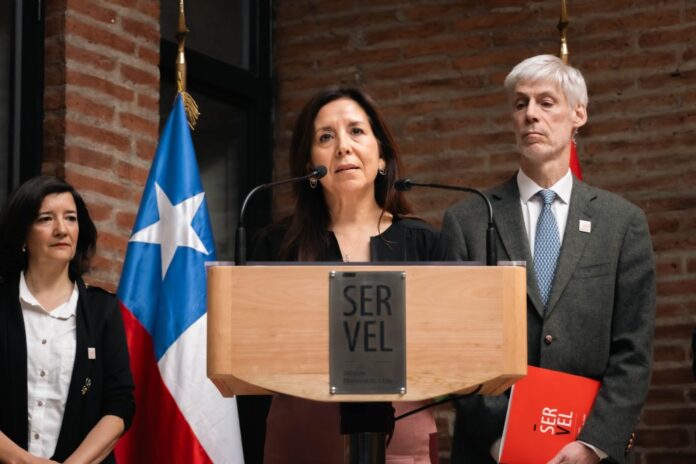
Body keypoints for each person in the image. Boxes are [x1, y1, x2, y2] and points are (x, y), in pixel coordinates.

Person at [442, 55, 655, 464]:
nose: (530, 115)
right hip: (491, 451)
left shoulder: (622, 223)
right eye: (520, 104)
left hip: (588, 450)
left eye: (546, 102)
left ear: (579, 114)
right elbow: (458, 347)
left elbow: (634, 350)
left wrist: (593, 445)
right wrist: (504, 438)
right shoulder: (468, 220)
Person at [243, 87, 449, 464]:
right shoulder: (276, 246)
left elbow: (448, 345)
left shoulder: (424, 243)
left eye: (356, 131)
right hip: (302, 441)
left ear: (382, 156)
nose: (343, 147)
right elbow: (252, 350)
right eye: (325, 137)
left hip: (404, 443)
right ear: (310, 165)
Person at [0, 176, 135, 464]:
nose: (61, 229)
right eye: (46, 218)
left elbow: (119, 403)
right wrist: (23, 461)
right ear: (22, 235)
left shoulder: (103, 310)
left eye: (70, 218)